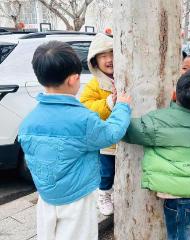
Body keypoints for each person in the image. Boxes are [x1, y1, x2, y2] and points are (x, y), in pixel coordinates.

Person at [18, 41, 131, 240]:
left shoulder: (28, 121)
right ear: (74, 79)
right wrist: (122, 106)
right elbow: (112, 133)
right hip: (77, 198)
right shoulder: (82, 119)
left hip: (46, 198)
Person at [124, 69, 190, 240]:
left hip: (179, 199)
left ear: (174, 95)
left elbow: (126, 130)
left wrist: (117, 106)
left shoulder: (158, 121)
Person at [80, 33, 117, 215]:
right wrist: (108, 103)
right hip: (106, 141)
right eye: (103, 56)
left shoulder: (125, 76)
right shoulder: (94, 84)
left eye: (112, 54)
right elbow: (86, 107)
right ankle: (103, 194)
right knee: (106, 172)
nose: (109, 59)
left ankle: (113, 193)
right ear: (95, 61)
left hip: (126, 136)